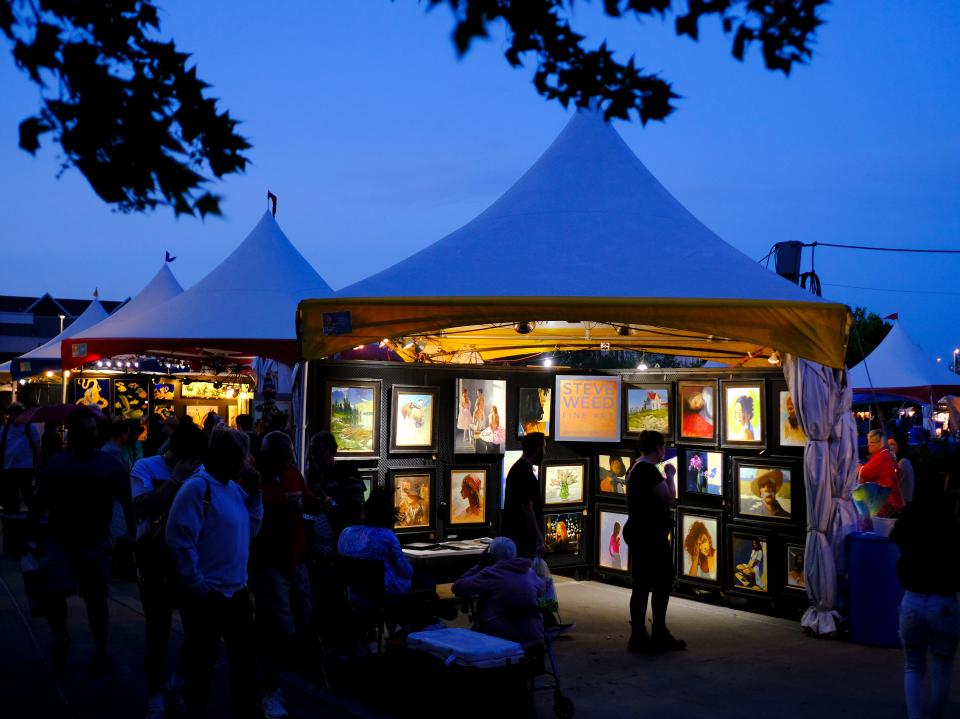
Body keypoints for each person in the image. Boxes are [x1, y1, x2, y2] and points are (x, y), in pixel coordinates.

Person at [165, 428, 263, 719]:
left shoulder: (234, 488)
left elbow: (253, 529)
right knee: (202, 665)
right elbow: (179, 540)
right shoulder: (197, 488)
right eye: (240, 458)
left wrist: (256, 495)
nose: (245, 464)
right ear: (223, 458)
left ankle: (244, 709)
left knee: (244, 662)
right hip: (209, 595)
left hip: (237, 591)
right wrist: (198, 586)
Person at [28, 407, 131, 675]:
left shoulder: (109, 464)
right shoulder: (59, 464)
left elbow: (128, 502)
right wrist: (33, 532)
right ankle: (61, 637)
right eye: (84, 431)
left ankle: (99, 648)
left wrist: (129, 536)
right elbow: (41, 501)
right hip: (61, 538)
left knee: (96, 600)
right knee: (55, 596)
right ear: (72, 434)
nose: (89, 435)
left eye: (92, 430)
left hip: (94, 541)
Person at [130, 423, 208, 719]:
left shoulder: (201, 474)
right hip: (155, 560)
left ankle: (176, 682)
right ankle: (155, 698)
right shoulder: (145, 467)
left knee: (197, 630)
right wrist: (175, 481)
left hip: (190, 559)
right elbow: (143, 507)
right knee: (158, 631)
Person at [249, 431, 319, 719]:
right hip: (270, 564)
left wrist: (314, 505)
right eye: (279, 458)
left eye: (287, 458)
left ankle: (285, 679)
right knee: (277, 626)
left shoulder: (292, 473)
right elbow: (252, 522)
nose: (284, 463)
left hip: (296, 559)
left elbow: (310, 504)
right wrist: (282, 509)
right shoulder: (255, 479)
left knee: (303, 618)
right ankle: (269, 689)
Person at [890, 474, 960, 719]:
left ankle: (915, 715)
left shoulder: (909, 518)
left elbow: (894, 538)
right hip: (944, 602)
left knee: (913, 666)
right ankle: (937, 714)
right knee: (942, 662)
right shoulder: (949, 523)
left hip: (912, 600)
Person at [623, 430, 684, 653]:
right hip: (651, 536)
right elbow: (669, 497)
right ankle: (652, 633)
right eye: (663, 446)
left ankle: (642, 634)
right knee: (658, 583)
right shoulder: (647, 470)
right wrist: (670, 475)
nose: (664, 451)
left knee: (642, 584)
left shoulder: (635, 468)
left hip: (641, 532)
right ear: (658, 448)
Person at [452, 536, 546, 646]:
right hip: (533, 635)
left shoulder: (490, 574)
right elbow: (542, 590)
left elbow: (458, 587)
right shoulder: (529, 572)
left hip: (501, 637)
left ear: (491, 556)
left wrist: (480, 565)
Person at [501, 432, 546, 559]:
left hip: (517, 539)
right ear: (537, 449)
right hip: (522, 540)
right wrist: (539, 538)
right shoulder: (524, 472)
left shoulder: (518, 468)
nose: (545, 453)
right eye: (544, 448)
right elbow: (527, 508)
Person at [0, 402, 40, 512]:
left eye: (15, 414)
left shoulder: (29, 428)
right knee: (11, 497)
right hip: (9, 468)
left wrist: (36, 465)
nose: (13, 416)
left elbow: (37, 447)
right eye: (11, 414)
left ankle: (33, 518)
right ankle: (13, 521)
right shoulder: (5, 429)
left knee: (27, 494)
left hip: (25, 468)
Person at [859, 429, 904, 515]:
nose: (868, 445)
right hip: (889, 506)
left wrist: (855, 464)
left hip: (886, 508)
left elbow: (863, 472)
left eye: (871, 442)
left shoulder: (882, 457)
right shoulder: (885, 455)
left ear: (880, 444)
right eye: (868, 442)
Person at [888, 433, 916, 504]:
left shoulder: (903, 463)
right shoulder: (898, 462)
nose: (889, 447)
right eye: (888, 445)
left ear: (899, 445)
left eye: (892, 444)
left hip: (903, 506)